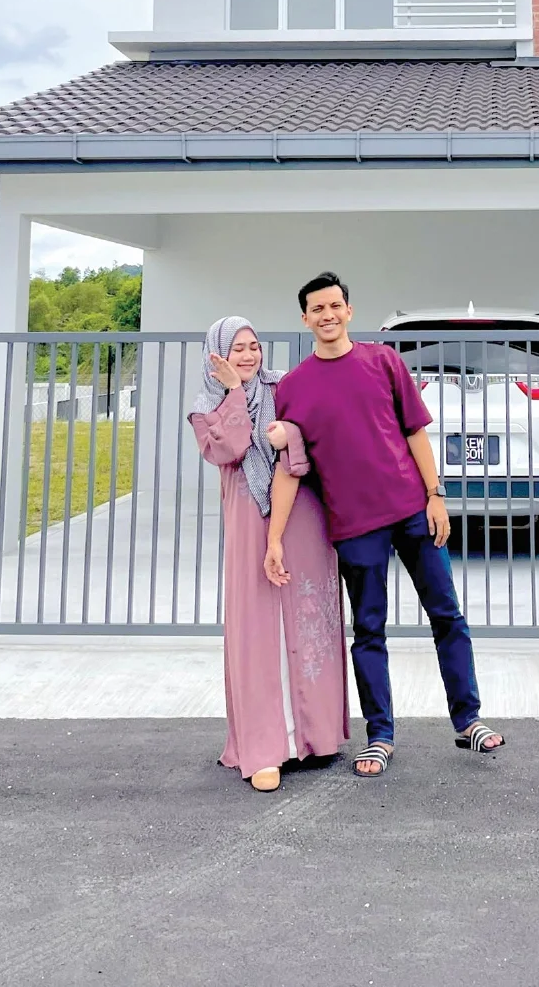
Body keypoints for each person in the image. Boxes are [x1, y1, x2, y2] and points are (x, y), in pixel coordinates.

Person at [267, 272, 504, 778]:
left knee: (448, 616)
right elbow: (289, 466)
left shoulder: (383, 361)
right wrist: (273, 538)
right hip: (354, 526)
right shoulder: (291, 388)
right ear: (304, 319)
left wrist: (436, 495)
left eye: (336, 306)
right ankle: (380, 737)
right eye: (318, 309)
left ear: (349, 310)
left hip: (412, 511)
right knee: (369, 630)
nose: (328, 315)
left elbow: (414, 431)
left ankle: (469, 720)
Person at [190, 315, 349, 792]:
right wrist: (236, 394)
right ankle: (263, 746)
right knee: (257, 622)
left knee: (307, 612)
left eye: (253, 346)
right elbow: (231, 449)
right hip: (248, 516)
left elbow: (313, 434)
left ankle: (313, 735)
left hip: (300, 511)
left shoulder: (285, 386)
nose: (247, 355)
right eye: (236, 347)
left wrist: (291, 436)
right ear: (216, 353)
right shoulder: (206, 405)